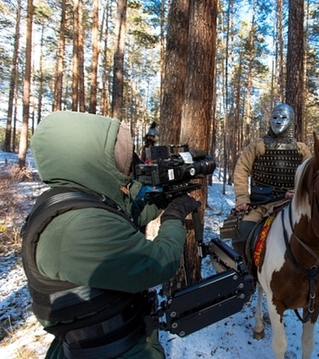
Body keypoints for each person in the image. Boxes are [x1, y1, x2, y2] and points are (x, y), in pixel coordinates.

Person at [21, 111, 200, 359]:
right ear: (88, 156)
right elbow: (157, 263)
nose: (125, 163)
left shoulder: (71, 199)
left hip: (111, 340)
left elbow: (123, 218)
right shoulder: (77, 227)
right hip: (112, 349)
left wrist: (162, 200)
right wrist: (173, 216)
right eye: (116, 154)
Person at [231, 103, 312, 259]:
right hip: (260, 204)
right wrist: (242, 198)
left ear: (291, 121)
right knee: (241, 237)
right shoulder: (257, 146)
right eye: (275, 117)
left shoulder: (302, 149)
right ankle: (248, 276)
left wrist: (296, 192)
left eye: (283, 118)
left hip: (291, 204)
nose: (278, 121)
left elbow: (308, 176)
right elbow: (241, 170)